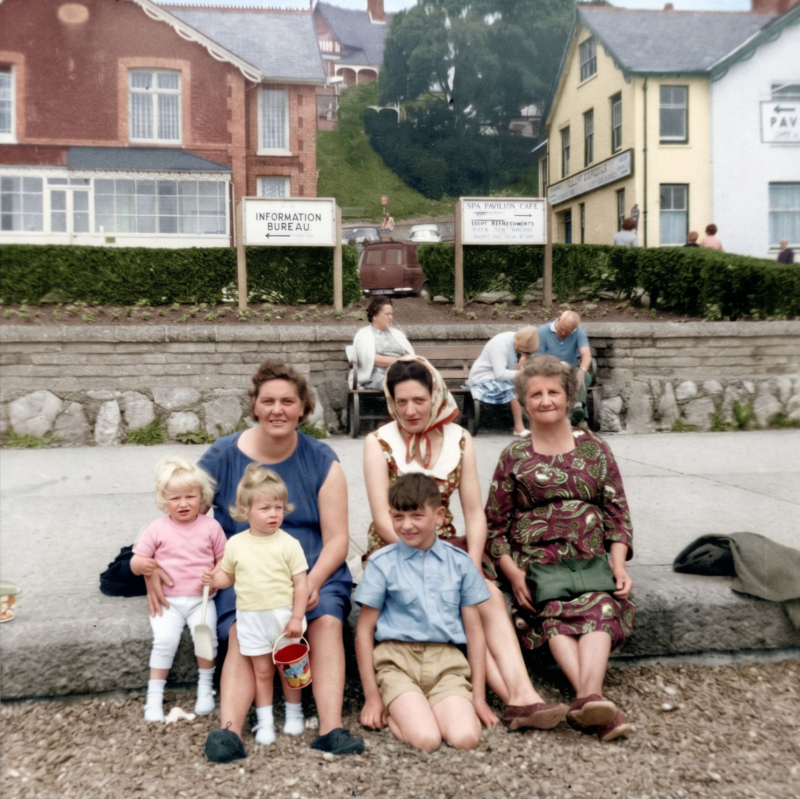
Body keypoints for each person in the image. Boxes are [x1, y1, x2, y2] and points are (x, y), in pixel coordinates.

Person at [143, 361, 363, 761]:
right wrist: (151, 566)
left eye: (287, 401)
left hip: (311, 567)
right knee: (240, 633)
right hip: (244, 569)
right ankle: (229, 730)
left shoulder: (321, 459)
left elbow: (337, 539)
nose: (277, 410)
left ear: (303, 408)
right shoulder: (223, 455)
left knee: (327, 622)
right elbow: (182, 517)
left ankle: (330, 728)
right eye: (268, 401)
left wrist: (312, 583)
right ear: (255, 405)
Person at [364, 356, 568, 731]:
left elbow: (474, 512)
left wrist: (471, 561)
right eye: (401, 401)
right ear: (391, 401)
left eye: (419, 400)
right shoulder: (378, 442)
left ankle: (524, 694)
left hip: (448, 545)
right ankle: (514, 701)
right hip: (396, 549)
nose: (410, 410)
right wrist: (434, 564)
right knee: (457, 603)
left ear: (435, 395)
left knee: (486, 595)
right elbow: (382, 518)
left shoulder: (460, 438)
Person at [485, 355, 635, 743]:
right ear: (524, 402)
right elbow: (495, 525)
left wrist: (619, 565)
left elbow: (617, 513)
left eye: (553, 392)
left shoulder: (595, 449)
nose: (546, 400)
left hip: (590, 563)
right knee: (553, 612)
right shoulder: (514, 457)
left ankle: (588, 697)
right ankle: (596, 705)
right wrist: (513, 573)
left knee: (601, 605)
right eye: (536, 394)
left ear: (569, 397)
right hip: (539, 567)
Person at [356, 474, 498, 752]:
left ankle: (427, 710)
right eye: (398, 517)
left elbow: (475, 633)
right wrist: (372, 697)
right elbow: (363, 631)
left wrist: (479, 699)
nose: (406, 525)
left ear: (439, 515)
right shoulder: (381, 563)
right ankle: (402, 712)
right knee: (427, 740)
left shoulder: (460, 563)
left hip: (446, 666)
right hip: (397, 663)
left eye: (417, 516)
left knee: (466, 738)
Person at [202, 464, 309, 747]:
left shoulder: (289, 544)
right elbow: (228, 576)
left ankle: (294, 712)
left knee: (291, 669)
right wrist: (214, 579)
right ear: (245, 510)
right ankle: (265, 720)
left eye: (278, 507)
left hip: (284, 617)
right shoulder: (236, 544)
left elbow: (301, 584)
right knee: (262, 671)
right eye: (265, 508)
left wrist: (297, 617)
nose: (274, 514)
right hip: (251, 620)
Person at [131, 456, 227, 722]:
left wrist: (215, 574)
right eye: (175, 498)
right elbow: (136, 561)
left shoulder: (211, 527)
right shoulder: (156, 528)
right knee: (164, 641)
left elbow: (224, 558)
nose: (183, 504)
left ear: (201, 497)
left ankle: (205, 688)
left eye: (190, 497)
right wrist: (143, 565)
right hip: (167, 601)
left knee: (206, 639)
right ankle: (154, 696)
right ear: (163, 500)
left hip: (202, 600)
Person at [465, 326, 540, 436]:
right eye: (525, 352)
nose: (527, 354)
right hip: (483, 378)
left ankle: (534, 426)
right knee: (515, 389)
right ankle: (519, 428)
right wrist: (523, 373)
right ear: (520, 344)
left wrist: (522, 361)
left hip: (501, 378)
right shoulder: (500, 344)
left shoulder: (520, 343)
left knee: (530, 386)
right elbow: (500, 374)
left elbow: (513, 371)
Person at [537, 311, 592, 425]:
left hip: (570, 370)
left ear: (574, 329)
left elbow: (586, 356)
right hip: (549, 371)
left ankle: (578, 407)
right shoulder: (543, 331)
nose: (563, 333)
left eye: (568, 332)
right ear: (559, 319)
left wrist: (581, 371)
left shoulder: (579, 332)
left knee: (585, 376)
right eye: (562, 329)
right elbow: (538, 359)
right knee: (564, 381)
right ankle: (579, 419)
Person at [352, 297, 415, 389]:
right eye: (387, 314)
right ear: (374, 316)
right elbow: (370, 359)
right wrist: (400, 361)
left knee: (424, 383)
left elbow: (410, 355)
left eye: (391, 314)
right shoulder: (364, 334)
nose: (390, 317)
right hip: (376, 375)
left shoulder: (397, 334)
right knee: (399, 386)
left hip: (402, 372)